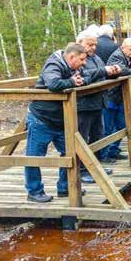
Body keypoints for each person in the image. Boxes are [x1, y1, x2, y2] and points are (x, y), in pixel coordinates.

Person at [24, 43, 88, 203]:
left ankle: (65, 187)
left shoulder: (72, 67)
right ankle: (34, 191)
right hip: (42, 119)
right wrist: (72, 82)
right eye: (81, 59)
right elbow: (53, 84)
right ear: (71, 56)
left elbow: (83, 76)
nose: (83, 63)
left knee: (70, 152)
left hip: (60, 119)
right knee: (34, 157)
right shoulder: (54, 64)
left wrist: (78, 80)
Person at [75, 28, 120, 184]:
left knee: (97, 136)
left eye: (94, 44)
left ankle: (95, 166)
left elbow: (101, 71)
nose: (93, 47)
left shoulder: (95, 57)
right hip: (82, 105)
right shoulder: (75, 58)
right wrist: (103, 71)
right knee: (83, 139)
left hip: (97, 103)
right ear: (80, 43)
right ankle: (82, 171)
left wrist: (113, 71)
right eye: (90, 44)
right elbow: (82, 76)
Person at [101, 38, 131, 161]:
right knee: (108, 127)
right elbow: (121, 71)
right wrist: (130, 71)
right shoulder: (117, 56)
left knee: (122, 125)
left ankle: (113, 150)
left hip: (120, 96)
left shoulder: (130, 57)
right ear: (123, 48)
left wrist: (130, 71)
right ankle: (104, 154)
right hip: (111, 96)